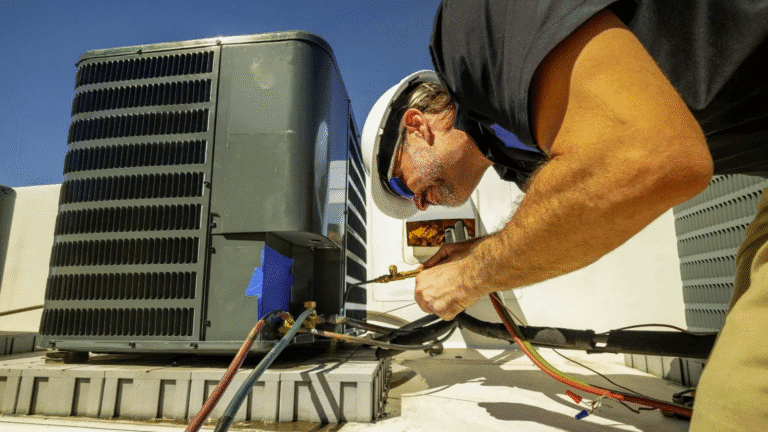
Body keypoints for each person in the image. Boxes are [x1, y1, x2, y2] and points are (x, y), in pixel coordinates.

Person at [361, 0, 768, 430]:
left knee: (735, 410)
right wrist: (480, 253)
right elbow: (596, 200)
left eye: (403, 184)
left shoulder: (472, 27)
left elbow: (646, 159)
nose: (419, 205)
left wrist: (468, 277)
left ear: (417, 126)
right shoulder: (523, 159)